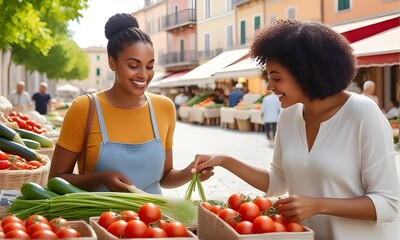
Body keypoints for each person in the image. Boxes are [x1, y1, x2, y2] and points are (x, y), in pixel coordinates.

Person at [193, 19, 399, 239]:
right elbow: (277, 182)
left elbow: (389, 204)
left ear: (306, 73)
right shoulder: (289, 115)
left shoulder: (362, 113)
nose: (270, 87)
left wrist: (319, 205)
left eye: (276, 78)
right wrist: (225, 160)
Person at [48, 13, 213, 193]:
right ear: (112, 62)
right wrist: (101, 178)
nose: (143, 75)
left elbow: (165, 177)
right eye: (133, 66)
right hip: (99, 219)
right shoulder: (85, 108)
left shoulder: (164, 107)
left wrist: (192, 171)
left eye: (149, 66)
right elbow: (56, 179)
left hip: (154, 219)